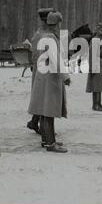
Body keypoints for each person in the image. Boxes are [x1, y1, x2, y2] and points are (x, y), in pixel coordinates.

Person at [28, 11, 71, 153]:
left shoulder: (43, 36)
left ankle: (46, 140)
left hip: (42, 77)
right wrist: (65, 76)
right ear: (57, 24)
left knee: (45, 111)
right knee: (49, 112)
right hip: (50, 79)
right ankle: (50, 143)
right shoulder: (51, 38)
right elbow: (56, 60)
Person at [26, 7, 55, 135]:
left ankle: (34, 122)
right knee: (43, 98)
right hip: (42, 71)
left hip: (43, 70)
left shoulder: (45, 33)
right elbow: (36, 55)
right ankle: (43, 129)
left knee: (43, 98)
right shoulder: (40, 35)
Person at [86, 22, 102, 111]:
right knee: (96, 87)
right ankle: (95, 105)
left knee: (99, 86)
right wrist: (92, 68)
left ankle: (99, 103)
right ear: (98, 30)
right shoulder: (95, 40)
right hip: (96, 65)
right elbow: (92, 54)